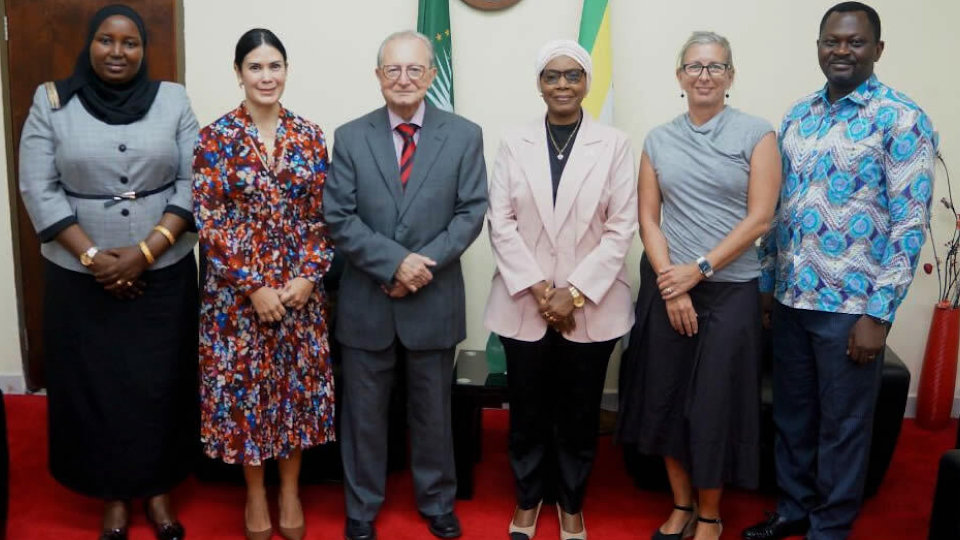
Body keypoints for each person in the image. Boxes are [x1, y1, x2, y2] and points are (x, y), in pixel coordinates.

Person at [742, 3, 937, 539]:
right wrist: (766, 282)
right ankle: (794, 510)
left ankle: (829, 527)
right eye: (832, 41)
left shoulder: (901, 118)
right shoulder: (798, 116)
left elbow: (908, 224)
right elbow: (781, 208)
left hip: (851, 310)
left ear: (878, 48)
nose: (842, 51)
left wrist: (879, 313)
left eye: (854, 42)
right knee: (793, 417)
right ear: (820, 46)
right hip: (791, 299)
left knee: (845, 426)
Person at [18, 4, 198, 540]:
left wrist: (145, 252)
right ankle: (113, 494)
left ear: (144, 49)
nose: (118, 52)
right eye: (106, 41)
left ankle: (160, 488)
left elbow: (194, 181)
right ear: (89, 45)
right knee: (98, 386)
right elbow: (37, 187)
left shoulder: (173, 100)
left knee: (159, 383)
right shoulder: (51, 102)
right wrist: (94, 259)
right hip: (79, 276)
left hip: (162, 269)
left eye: (129, 43)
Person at [616, 31, 781, 540]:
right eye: (694, 66)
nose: (704, 75)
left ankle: (710, 514)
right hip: (670, 286)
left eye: (715, 67)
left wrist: (701, 269)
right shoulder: (658, 139)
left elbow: (761, 219)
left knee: (714, 404)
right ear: (679, 76)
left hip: (730, 290)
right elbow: (648, 219)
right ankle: (682, 504)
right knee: (664, 398)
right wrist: (673, 283)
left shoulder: (757, 133)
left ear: (731, 76)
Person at [324, 30, 488, 540]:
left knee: (434, 413)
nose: (403, 79)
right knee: (364, 418)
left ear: (431, 76)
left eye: (414, 69)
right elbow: (339, 217)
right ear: (378, 77)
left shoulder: (464, 134)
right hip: (367, 300)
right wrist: (395, 265)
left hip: (432, 298)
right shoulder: (351, 136)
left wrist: (424, 266)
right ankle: (361, 508)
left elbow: (471, 212)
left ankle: (437, 502)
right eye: (392, 70)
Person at [483, 39, 638, 540]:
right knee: (527, 410)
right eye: (553, 76)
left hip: (591, 304)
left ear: (587, 83)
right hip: (523, 301)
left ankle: (570, 502)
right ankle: (528, 500)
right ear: (539, 84)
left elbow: (621, 228)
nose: (563, 85)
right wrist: (538, 289)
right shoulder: (514, 142)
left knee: (578, 411)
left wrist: (571, 294)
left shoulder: (614, 144)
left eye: (573, 75)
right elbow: (499, 220)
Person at [193, 28, 335, 540]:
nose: (266, 76)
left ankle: (290, 491)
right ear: (238, 73)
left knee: (294, 396)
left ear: (287, 70)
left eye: (274, 65)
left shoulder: (311, 135)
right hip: (237, 299)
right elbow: (208, 220)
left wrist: (306, 277)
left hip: (299, 294)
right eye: (255, 67)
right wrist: (253, 286)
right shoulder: (215, 138)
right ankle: (255, 494)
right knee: (248, 399)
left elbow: (326, 217)